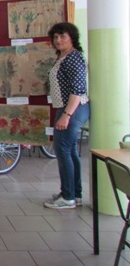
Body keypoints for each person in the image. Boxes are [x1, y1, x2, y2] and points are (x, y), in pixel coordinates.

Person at [43, 22, 90, 209]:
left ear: (72, 37)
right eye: (55, 37)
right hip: (66, 107)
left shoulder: (73, 58)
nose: (58, 40)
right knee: (69, 150)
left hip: (72, 108)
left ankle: (68, 197)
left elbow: (77, 90)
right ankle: (74, 194)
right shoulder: (63, 57)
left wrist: (67, 115)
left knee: (62, 149)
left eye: (63, 36)